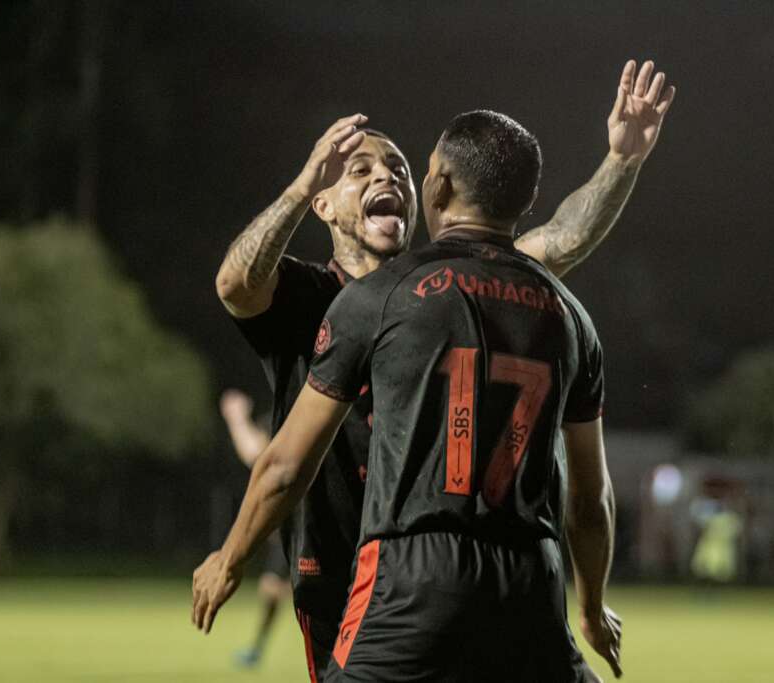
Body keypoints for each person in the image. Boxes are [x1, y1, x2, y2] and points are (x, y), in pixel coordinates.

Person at [212, 58, 675, 680]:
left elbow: (557, 241)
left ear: (431, 191)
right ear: (324, 204)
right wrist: (299, 186)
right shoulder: (308, 295)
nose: (388, 176)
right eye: (360, 170)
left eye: (400, 168)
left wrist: (620, 161)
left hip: (414, 566)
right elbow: (236, 283)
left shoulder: (446, 282)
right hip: (346, 564)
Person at [219, 389, 291, 668]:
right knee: (271, 590)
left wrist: (236, 418)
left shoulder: (302, 416)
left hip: (313, 529)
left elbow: (256, 453)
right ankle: (257, 649)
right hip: (291, 531)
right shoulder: (281, 417)